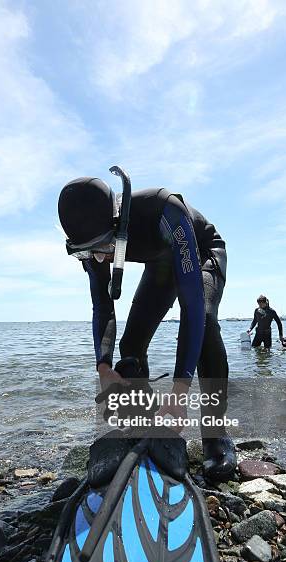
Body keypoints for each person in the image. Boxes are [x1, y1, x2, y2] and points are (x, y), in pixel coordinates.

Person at [58, 174, 237, 482]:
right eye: (86, 252)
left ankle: (215, 433)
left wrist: (180, 388)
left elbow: (192, 307)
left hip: (202, 254)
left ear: (118, 223)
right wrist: (103, 367)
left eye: (102, 246)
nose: (99, 257)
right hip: (161, 262)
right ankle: (143, 424)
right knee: (130, 348)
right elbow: (102, 307)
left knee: (205, 323)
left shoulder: (162, 209)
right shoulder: (91, 243)